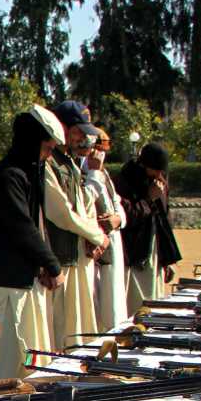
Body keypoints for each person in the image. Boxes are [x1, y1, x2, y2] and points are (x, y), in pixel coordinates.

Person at [0, 107, 66, 379]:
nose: (48, 156)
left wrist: (43, 264)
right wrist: (52, 265)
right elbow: (21, 226)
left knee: (32, 360)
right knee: (5, 364)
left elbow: (36, 225)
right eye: (47, 148)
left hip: (26, 284)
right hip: (6, 287)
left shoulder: (27, 173)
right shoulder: (7, 176)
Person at [42, 101, 110, 348]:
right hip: (62, 259)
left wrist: (96, 237)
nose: (84, 139)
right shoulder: (50, 163)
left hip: (80, 257)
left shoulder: (70, 164)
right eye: (79, 132)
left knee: (83, 331)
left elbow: (85, 208)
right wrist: (97, 235)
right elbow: (62, 213)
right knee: (63, 333)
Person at [116, 142, 182, 314]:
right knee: (135, 307)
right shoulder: (126, 179)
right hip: (133, 253)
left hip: (155, 252)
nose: (160, 175)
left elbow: (164, 220)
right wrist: (149, 198)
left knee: (154, 303)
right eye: (156, 170)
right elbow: (126, 216)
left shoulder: (159, 181)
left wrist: (169, 259)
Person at [82, 128, 129, 329]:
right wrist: (93, 171)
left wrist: (119, 219)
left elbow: (116, 205)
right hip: (96, 250)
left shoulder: (103, 173)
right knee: (98, 310)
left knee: (114, 303)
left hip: (114, 244)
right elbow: (87, 200)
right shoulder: (85, 171)